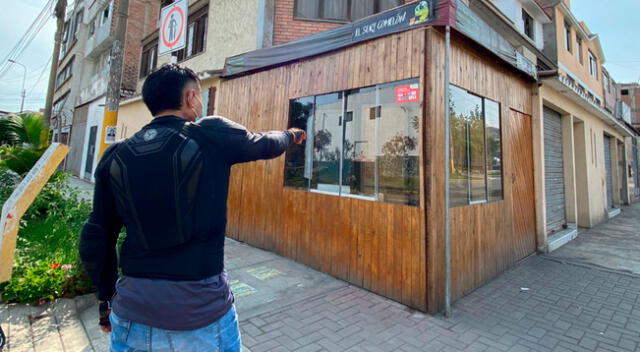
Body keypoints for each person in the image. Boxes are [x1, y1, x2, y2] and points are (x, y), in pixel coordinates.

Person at [79, 64, 305, 351]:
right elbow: (264, 144)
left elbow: (95, 238)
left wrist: (105, 301)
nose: (199, 102)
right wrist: (290, 134)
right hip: (198, 320)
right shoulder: (211, 134)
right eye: (198, 95)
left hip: (130, 316)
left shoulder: (115, 155)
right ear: (189, 97)